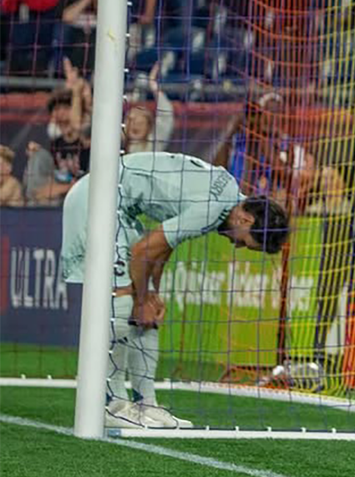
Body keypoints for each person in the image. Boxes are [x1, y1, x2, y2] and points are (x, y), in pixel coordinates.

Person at [60, 151, 290, 428]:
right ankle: (110, 404)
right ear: (246, 221)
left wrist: (150, 294)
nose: (238, 246)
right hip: (95, 200)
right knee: (121, 304)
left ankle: (146, 405)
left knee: (147, 314)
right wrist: (140, 299)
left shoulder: (225, 200)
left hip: (118, 206)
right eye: (245, 242)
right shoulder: (212, 209)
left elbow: (163, 247)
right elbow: (144, 249)